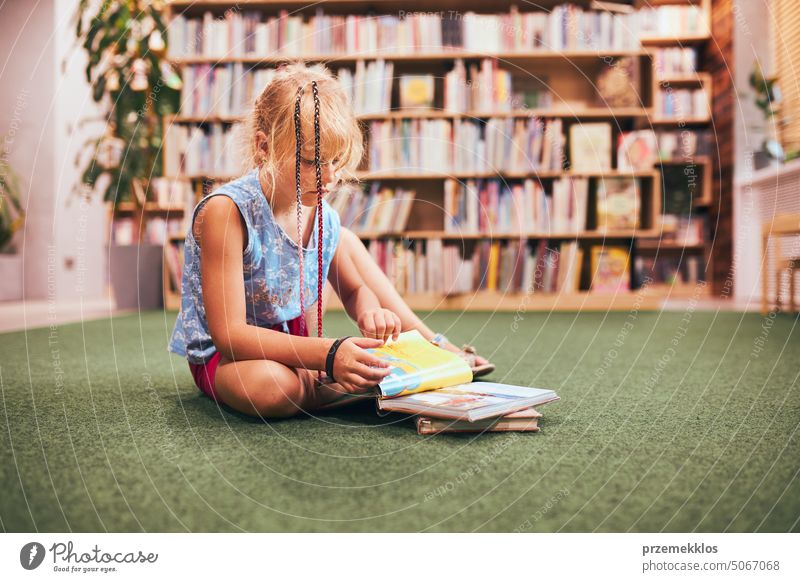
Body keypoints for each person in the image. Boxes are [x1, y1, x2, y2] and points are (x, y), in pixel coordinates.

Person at [168, 63, 492, 419]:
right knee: (271, 389)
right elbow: (230, 335)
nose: (331, 178)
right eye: (311, 162)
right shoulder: (226, 212)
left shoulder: (321, 215)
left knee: (345, 238)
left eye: (336, 161)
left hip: (300, 348)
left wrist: (369, 311)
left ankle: (428, 348)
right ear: (263, 147)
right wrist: (329, 356)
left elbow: (355, 291)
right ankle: (334, 390)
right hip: (231, 355)